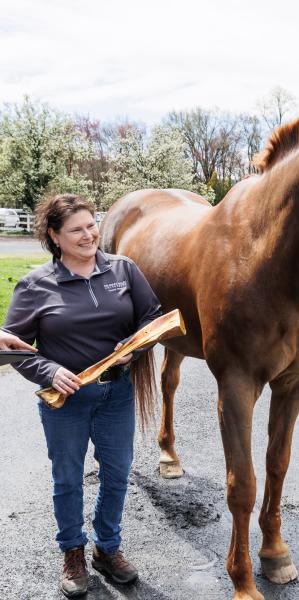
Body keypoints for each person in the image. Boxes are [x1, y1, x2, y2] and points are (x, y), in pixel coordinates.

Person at [1, 194, 161, 598]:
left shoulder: (123, 269)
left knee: (117, 474)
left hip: (117, 395)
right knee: (68, 479)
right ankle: (72, 551)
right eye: (76, 229)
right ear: (55, 236)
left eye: (92, 224)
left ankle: (107, 549)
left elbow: (152, 316)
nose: (89, 234)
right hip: (64, 403)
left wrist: (133, 346)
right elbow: (12, 347)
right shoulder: (35, 285)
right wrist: (51, 370)